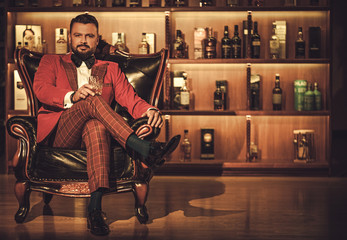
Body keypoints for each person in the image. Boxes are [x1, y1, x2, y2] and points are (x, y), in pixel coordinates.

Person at [33, 13, 180, 236]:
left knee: (97, 126)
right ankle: (143, 149)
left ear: (97, 38)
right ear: (70, 37)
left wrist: (149, 109)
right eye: (78, 35)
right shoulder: (51, 61)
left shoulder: (110, 68)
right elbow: (41, 90)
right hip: (61, 132)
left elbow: (130, 98)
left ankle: (95, 210)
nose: (83, 40)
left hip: (93, 132)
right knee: (92, 99)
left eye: (89, 36)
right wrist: (72, 96)